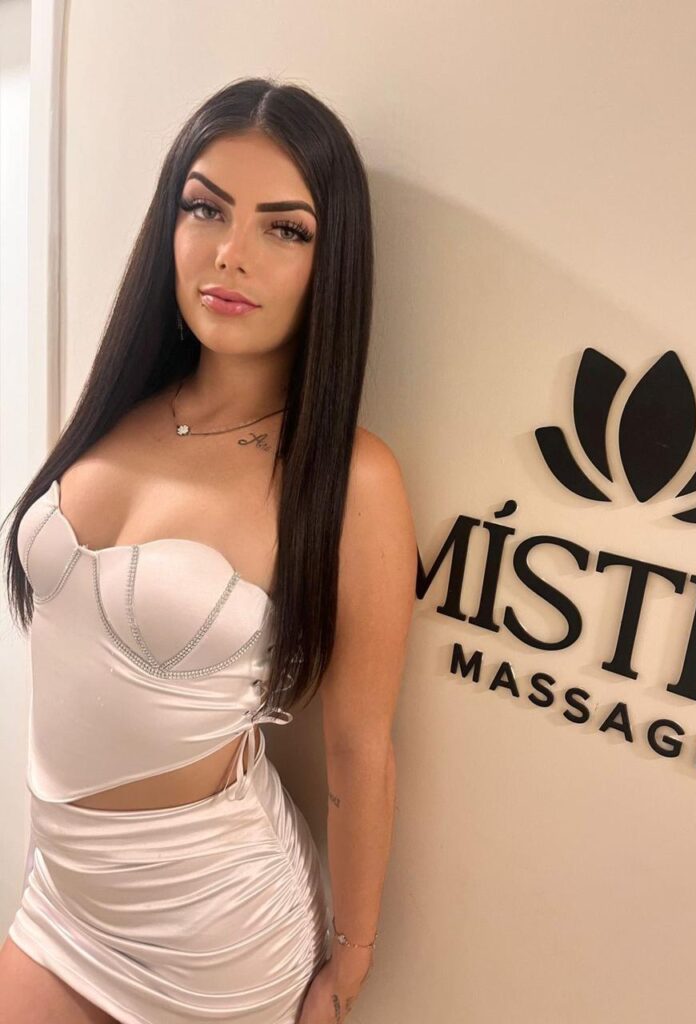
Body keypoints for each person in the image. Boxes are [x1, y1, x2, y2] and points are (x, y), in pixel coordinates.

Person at [0, 77, 417, 1024]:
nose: (231, 253)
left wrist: (350, 960)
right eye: (205, 208)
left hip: (214, 931)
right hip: (61, 897)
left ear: (331, 263)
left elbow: (359, 747)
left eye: (286, 228)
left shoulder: (349, 477)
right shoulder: (121, 405)